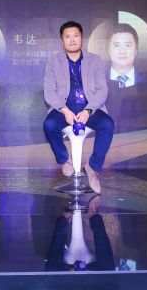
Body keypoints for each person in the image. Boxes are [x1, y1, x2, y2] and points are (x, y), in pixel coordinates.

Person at [43, 21, 114, 194]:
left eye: (76, 36)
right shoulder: (54, 62)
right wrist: (65, 110)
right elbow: (49, 92)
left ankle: (92, 167)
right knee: (49, 125)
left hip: (89, 107)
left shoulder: (95, 60)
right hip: (64, 107)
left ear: (82, 38)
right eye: (68, 37)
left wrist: (88, 111)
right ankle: (64, 160)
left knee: (108, 125)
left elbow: (102, 90)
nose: (72, 40)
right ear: (62, 41)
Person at [105, 25, 147, 132]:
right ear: (108, 50)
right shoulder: (97, 81)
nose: (122, 51)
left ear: (136, 50)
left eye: (128, 45)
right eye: (116, 45)